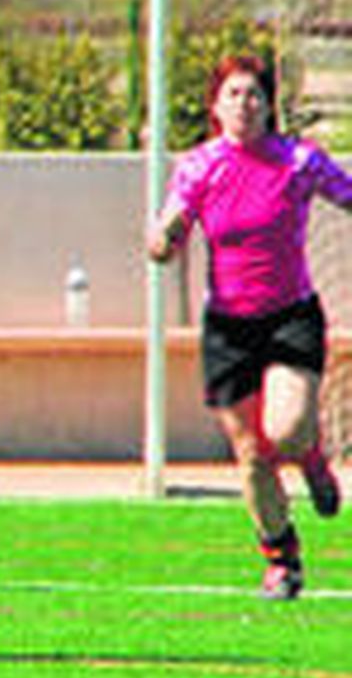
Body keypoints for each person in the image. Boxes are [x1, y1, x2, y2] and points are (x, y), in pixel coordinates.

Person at [148, 53, 350, 600]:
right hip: (229, 327)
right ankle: (282, 559)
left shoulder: (298, 161)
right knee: (251, 451)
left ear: (268, 105)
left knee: (286, 430)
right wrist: (163, 239)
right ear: (216, 107)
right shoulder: (200, 166)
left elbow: (346, 192)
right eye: (233, 94)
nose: (245, 104)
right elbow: (171, 222)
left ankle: (310, 456)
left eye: (254, 94)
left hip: (289, 317)